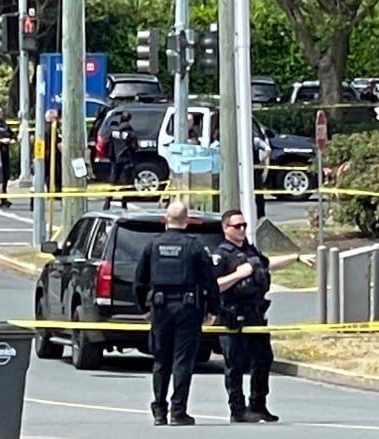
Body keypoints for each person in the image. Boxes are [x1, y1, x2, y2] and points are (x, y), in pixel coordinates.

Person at [212, 209, 305, 423]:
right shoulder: (221, 255)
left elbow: (266, 264)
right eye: (237, 226)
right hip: (232, 315)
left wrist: (296, 258)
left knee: (263, 359)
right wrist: (237, 275)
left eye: (244, 225)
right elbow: (214, 285)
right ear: (226, 228)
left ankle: (258, 405)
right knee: (235, 364)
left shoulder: (249, 250)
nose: (242, 229)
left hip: (255, 313)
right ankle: (237, 409)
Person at [133, 201, 220, 427]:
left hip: (160, 309)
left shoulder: (152, 246)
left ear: (165, 218)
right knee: (183, 361)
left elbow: (139, 281)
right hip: (188, 310)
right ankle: (178, 411)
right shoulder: (195, 247)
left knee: (161, 360)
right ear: (187, 220)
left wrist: (144, 309)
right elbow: (209, 282)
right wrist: (212, 309)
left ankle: (159, 411)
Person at [103, 111, 138, 210]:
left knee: (113, 182)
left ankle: (107, 203)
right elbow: (134, 147)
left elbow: (106, 142)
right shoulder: (131, 133)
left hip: (115, 159)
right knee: (126, 184)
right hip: (127, 160)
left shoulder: (113, 131)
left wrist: (110, 155)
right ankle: (124, 204)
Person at [0, 105, 14, 208]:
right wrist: (0, 140)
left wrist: (11, 139)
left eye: (2, 112)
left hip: (5, 152)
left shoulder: (4, 124)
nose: (1, 114)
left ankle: (3, 198)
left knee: (5, 176)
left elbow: (10, 133)